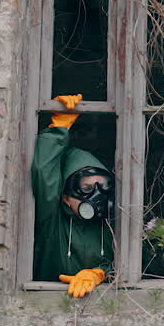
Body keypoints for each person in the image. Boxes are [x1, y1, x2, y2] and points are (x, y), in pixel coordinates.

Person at [32, 94, 115, 298]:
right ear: (66, 196)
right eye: (86, 187)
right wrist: (59, 129)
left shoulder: (112, 227)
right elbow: (44, 175)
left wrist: (100, 273)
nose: (96, 194)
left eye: (102, 186)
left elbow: (135, 260)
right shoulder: (52, 221)